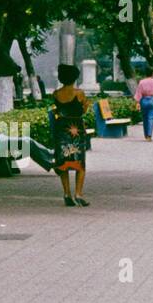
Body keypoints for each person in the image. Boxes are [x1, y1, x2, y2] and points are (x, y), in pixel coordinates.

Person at [51, 63, 92, 207]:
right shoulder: (79, 93)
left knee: (63, 162)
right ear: (74, 78)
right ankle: (79, 194)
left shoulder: (56, 94)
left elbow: (55, 112)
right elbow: (83, 110)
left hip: (61, 130)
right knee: (79, 162)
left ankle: (67, 193)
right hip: (76, 130)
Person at [134, 66, 153, 141]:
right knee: (151, 118)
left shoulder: (142, 82)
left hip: (144, 100)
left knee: (145, 118)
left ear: (145, 73)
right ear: (152, 74)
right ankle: (149, 135)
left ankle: (146, 135)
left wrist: (137, 102)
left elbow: (138, 93)